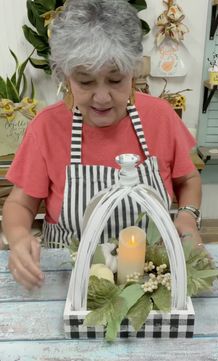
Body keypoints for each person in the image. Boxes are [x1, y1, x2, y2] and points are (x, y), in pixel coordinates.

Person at [2, 0, 202, 290]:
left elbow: (189, 178)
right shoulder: (46, 127)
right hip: (70, 278)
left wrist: (187, 216)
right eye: (85, 82)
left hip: (154, 276)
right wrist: (19, 238)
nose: (102, 97)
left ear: (133, 71)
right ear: (65, 76)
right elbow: (20, 203)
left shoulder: (160, 116)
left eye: (115, 80)